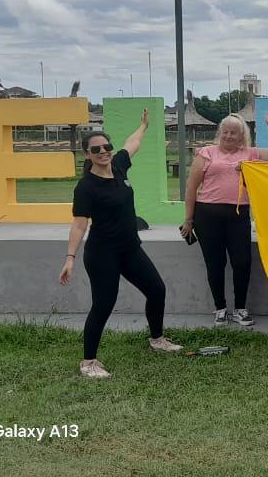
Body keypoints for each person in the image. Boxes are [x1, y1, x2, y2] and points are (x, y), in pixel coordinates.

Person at [60, 111, 182, 379]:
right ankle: (88, 362)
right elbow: (79, 225)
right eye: (96, 149)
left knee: (157, 290)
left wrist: (144, 126)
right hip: (103, 254)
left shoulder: (118, 167)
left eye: (106, 146)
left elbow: (132, 143)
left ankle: (157, 340)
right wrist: (70, 257)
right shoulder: (86, 187)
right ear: (87, 154)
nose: (103, 151)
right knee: (103, 305)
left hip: (130, 249)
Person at [181, 106, 268, 327]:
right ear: (220, 133)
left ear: (241, 135)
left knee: (242, 262)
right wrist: (189, 219)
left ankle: (240, 309)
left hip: (238, 214)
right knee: (215, 263)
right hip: (207, 214)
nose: (228, 136)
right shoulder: (206, 153)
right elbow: (192, 188)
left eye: (233, 133)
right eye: (225, 132)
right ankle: (220, 308)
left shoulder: (250, 153)